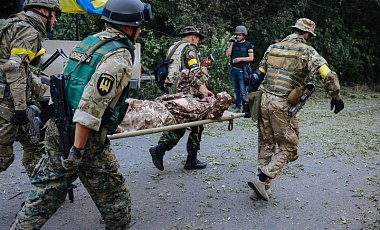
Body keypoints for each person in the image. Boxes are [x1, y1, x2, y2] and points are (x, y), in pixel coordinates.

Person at [10, 0, 153, 229]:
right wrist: (77, 149)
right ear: (130, 26)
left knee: (42, 198)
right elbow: (90, 106)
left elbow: (70, 82)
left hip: (59, 127)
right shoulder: (119, 56)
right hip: (84, 139)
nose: (141, 30)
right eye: (140, 25)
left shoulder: (91, 42)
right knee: (117, 204)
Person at [247, 18, 344, 201]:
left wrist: (248, 103)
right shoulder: (307, 51)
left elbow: (256, 76)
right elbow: (327, 74)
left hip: (263, 101)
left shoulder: (273, 48)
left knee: (266, 145)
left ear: (294, 30)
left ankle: (260, 190)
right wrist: (335, 97)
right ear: (307, 34)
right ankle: (262, 179)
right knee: (290, 148)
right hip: (282, 105)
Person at [0, 0, 61, 178]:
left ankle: (43, 194)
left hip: (17, 100)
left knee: (35, 146)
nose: (55, 20)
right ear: (43, 11)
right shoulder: (28, 31)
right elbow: (14, 69)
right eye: (54, 14)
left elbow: (26, 70)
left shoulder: (12, 24)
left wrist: (48, 82)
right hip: (9, 104)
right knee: (2, 158)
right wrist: (19, 110)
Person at [149, 25, 214, 171]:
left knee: (179, 121)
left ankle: (161, 149)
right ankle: (188, 159)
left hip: (171, 88)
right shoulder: (190, 48)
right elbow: (194, 71)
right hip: (185, 90)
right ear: (193, 37)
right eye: (197, 39)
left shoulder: (174, 47)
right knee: (197, 122)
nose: (198, 42)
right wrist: (204, 79)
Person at [119, 88, 232, 132]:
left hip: (165, 115)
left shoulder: (208, 111)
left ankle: (106, 127)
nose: (212, 97)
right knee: (127, 103)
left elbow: (219, 108)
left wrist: (215, 101)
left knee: (130, 120)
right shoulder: (197, 100)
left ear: (217, 104)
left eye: (215, 98)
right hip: (158, 105)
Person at [225, 25, 254, 113]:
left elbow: (251, 58)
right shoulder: (234, 43)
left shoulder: (248, 45)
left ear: (244, 35)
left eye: (240, 35)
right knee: (236, 89)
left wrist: (240, 59)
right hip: (234, 69)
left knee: (243, 90)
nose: (238, 36)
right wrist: (231, 44)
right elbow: (227, 54)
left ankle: (245, 107)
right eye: (237, 35)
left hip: (242, 70)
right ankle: (238, 106)